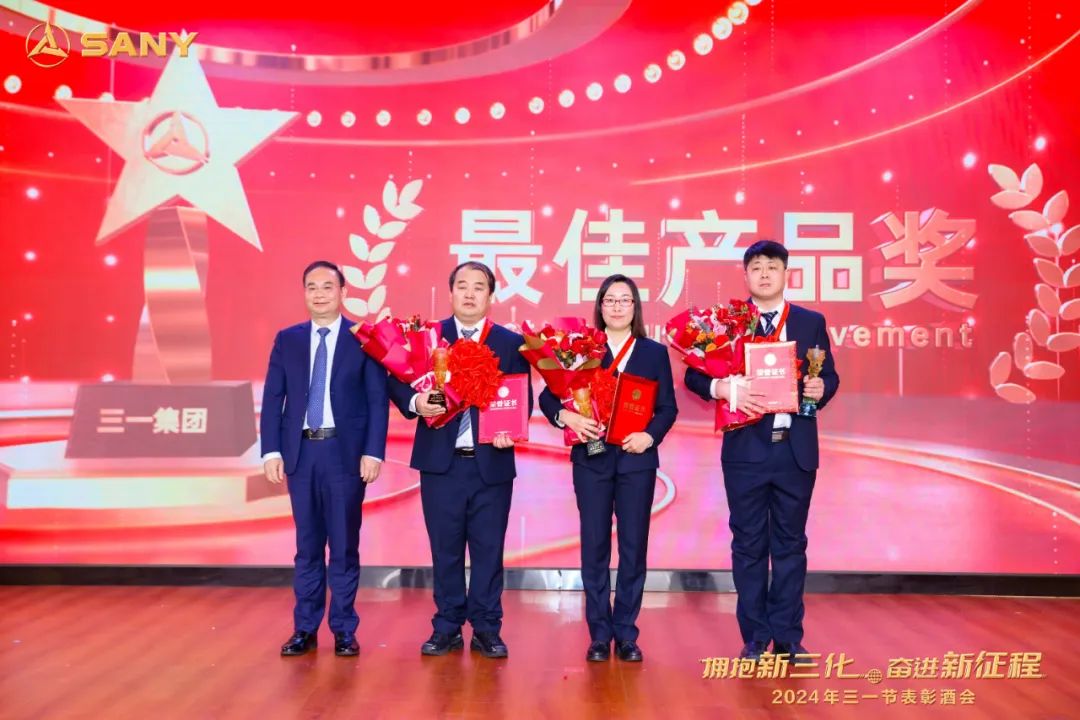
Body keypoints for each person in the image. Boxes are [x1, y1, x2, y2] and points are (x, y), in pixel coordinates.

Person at [684, 240, 839, 663]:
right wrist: (720, 386)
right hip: (746, 452)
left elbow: (829, 376)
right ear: (746, 275)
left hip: (795, 451)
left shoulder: (809, 321)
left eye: (772, 266)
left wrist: (821, 388)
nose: (765, 274)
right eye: (756, 267)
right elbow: (693, 377)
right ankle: (755, 637)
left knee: (791, 544)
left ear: (786, 273)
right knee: (749, 545)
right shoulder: (727, 324)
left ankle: (787, 636)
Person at [387, 261, 533, 659]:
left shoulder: (509, 343)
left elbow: (521, 400)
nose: (470, 293)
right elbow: (397, 383)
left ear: (491, 295)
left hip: (491, 464)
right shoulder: (428, 338)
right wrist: (416, 402)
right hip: (441, 463)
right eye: (462, 286)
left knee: (489, 550)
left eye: (479, 287)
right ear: (450, 292)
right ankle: (447, 626)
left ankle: (486, 628)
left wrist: (511, 431)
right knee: (445, 549)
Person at [539, 274, 678, 663]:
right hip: (592, 459)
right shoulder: (582, 350)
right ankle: (599, 634)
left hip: (637, 460)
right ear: (600, 307)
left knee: (633, 547)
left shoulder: (653, 353)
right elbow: (548, 397)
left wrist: (649, 436)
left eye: (625, 300)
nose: (617, 306)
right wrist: (566, 416)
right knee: (595, 545)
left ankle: (627, 633)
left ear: (636, 308)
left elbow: (667, 408)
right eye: (610, 300)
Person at [260, 260, 389, 657]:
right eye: (311, 287)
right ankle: (304, 628)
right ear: (304, 293)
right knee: (307, 545)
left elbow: (377, 400)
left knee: (345, 546)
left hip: (344, 455)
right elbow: (273, 398)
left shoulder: (363, 339)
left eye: (327, 287)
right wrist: (271, 450)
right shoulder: (288, 340)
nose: (319, 294)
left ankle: (344, 629)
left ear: (343, 292)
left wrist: (373, 452)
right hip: (301, 454)